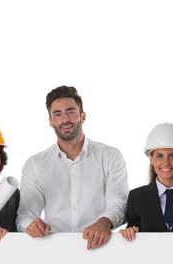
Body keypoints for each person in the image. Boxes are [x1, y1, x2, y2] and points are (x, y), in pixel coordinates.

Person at [16, 85, 128, 249]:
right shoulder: (35, 164)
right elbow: (25, 215)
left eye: (71, 112)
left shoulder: (111, 156)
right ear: (50, 121)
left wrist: (105, 222)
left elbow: (119, 202)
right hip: (53, 249)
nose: (65, 119)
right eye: (57, 114)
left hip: (101, 248)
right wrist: (30, 225)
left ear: (82, 116)